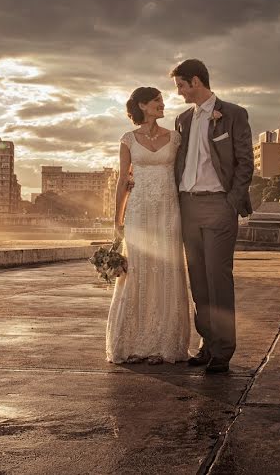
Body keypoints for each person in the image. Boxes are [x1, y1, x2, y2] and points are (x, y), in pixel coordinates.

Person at [171, 59, 253, 374]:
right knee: (199, 282)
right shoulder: (182, 120)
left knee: (218, 279)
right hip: (187, 206)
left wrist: (231, 202)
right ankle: (207, 344)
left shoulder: (233, 113)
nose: (178, 92)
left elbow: (245, 162)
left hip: (219, 205)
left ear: (195, 81)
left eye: (180, 85)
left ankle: (223, 350)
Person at [105, 87, 196, 364]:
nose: (162, 104)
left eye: (161, 100)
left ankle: (164, 344)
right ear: (142, 105)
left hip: (169, 210)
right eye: (157, 100)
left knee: (168, 270)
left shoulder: (176, 137)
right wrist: (117, 219)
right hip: (139, 211)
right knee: (139, 271)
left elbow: (184, 172)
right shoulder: (128, 140)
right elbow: (123, 180)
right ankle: (133, 343)